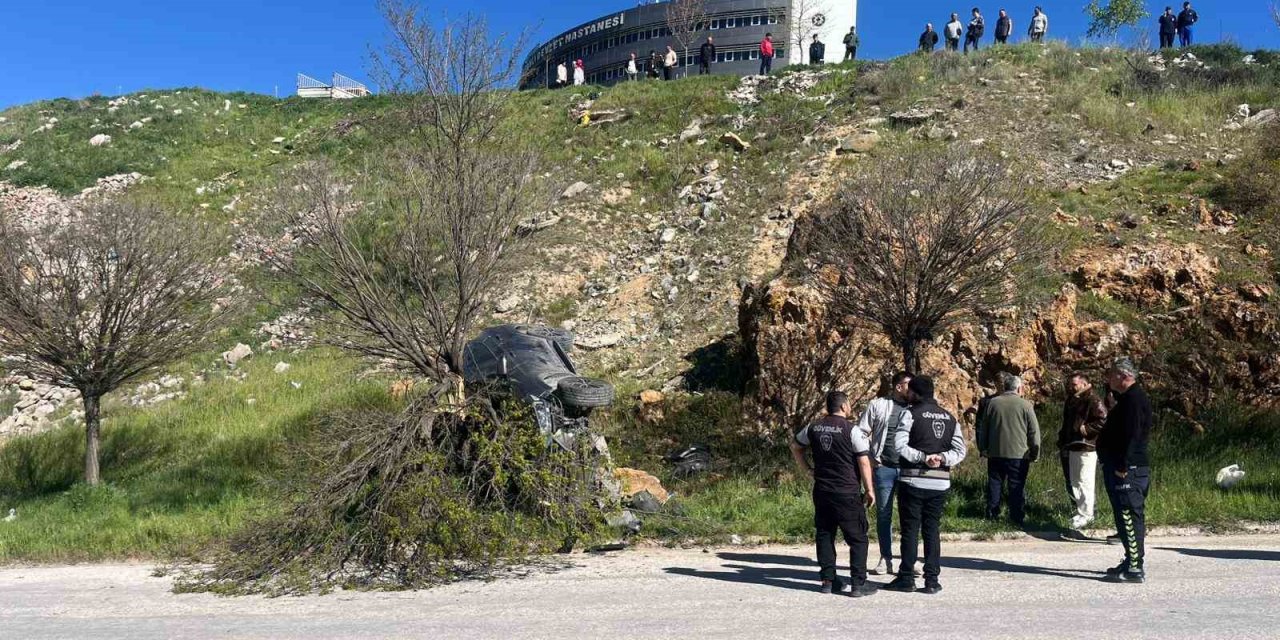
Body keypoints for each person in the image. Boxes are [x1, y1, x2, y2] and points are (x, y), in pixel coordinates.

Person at [884, 375, 967, 595]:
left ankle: (907, 578)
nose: (907, 394)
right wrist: (941, 458)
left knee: (910, 530)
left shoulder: (909, 413)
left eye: (909, 391)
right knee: (932, 530)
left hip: (912, 479)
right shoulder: (950, 418)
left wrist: (923, 457)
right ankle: (932, 580)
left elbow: (899, 445)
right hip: (939, 483)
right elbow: (960, 451)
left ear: (915, 393)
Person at [790, 391, 878, 597]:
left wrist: (807, 469)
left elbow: (795, 446)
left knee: (825, 534)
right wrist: (870, 489)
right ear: (844, 406)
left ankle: (828, 581)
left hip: (822, 490)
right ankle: (858, 583)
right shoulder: (852, 430)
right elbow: (863, 461)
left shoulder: (813, 427)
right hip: (847, 491)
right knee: (857, 538)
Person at [1098, 357, 1152, 584]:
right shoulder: (1127, 399)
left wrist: (1122, 465)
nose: (1108, 378)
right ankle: (1131, 558)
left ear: (1124, 376)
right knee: (1124, 516)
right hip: (1124, 467)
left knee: (1129, 516)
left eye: (1112, 374)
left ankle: (1134, 568)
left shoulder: (1134, 401)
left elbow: (1133, 435)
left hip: (1127, 469)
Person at [857, 371, 912, 577]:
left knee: (910, 515)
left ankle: (908, 559)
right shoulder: (878, 405)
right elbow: (861, 432)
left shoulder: (916, 408)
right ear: (899, 387)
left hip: (909, 469)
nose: (912, 389)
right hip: (884, 468)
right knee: (884, 514)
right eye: (909, 385)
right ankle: (885, 558)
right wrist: (870, 457)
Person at [976, 373, 1041, 526]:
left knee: (994, 484)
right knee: (1016, 486)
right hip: (1019, 454)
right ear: (1019, 388)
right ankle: (1016, 517)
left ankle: (992, 515)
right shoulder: (1025, 405)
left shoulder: (992, 403)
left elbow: (983, 428)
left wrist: (983, 448)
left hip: (995, 453)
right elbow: (1034, 432)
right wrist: (1035, 452)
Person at [1059, 372, 1108, 530]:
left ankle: (1087, 514)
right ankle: (1081, 512)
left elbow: (1103, 419)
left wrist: (1086, 429)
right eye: (1071, 384)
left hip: (1086, 446)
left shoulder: (1092, 399)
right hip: (1073, 445)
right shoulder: (1073, 400)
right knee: (1075, 481)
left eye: (1074, 384)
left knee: (1084, 480)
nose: (1071, 387)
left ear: (1084, 383)